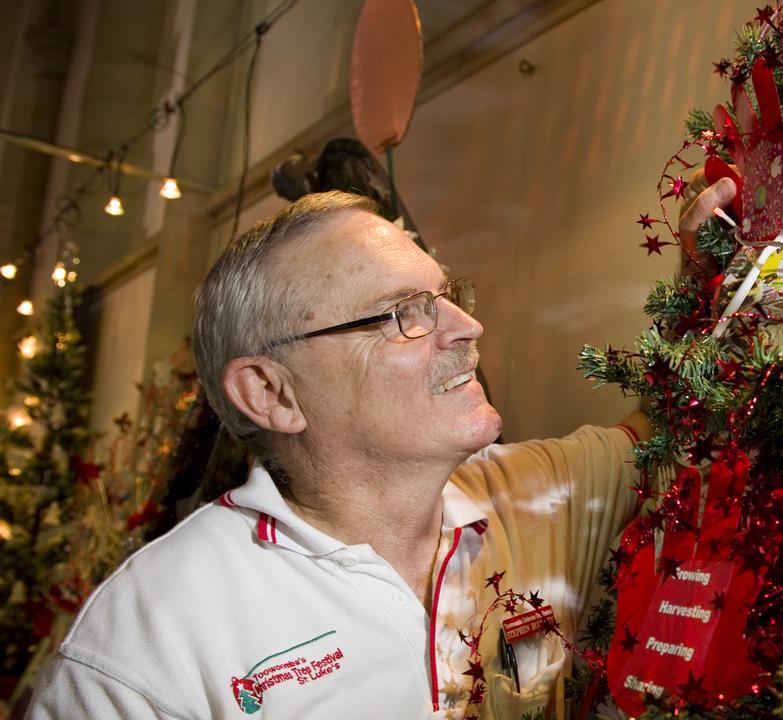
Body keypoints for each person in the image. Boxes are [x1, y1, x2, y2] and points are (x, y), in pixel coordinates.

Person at [26, 183, 735, 720]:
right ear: (272, 393)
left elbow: (672, 429)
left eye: (447, 295)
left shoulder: (532, 496)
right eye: (404, 313)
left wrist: (705, 284)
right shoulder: (152, 635)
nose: (468, 326)